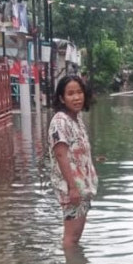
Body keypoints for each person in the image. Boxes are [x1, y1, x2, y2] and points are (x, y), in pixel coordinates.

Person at [48, 76, 98, 249]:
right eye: (70, 94)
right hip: (71, 188)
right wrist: (72, 187)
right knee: (71, 237)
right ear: (62, 98)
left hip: (82, 186)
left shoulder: (76, 119)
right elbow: (61, 155)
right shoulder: (60, 121)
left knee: (76, 237)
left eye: (79, 92)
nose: (76, 97)